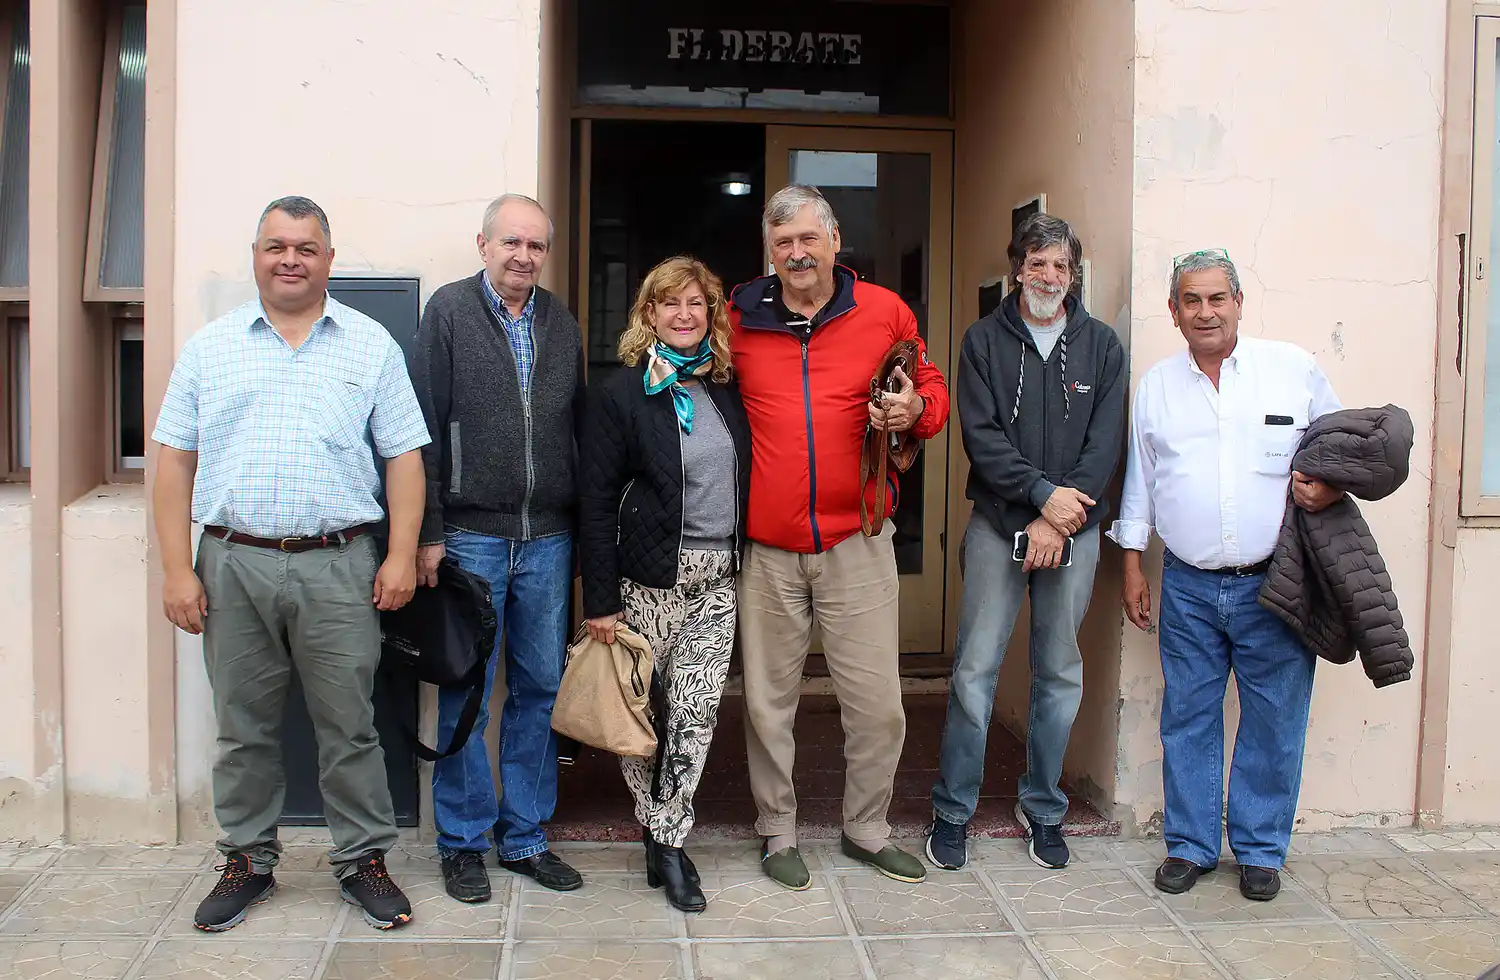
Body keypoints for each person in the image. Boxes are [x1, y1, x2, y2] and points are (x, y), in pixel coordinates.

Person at [153, 196, 429, 932]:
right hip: (231, 564)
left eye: (306, 248)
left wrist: (401, 554)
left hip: (338, 565)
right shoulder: (211, 347)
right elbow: (175, 461)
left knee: (350, 725)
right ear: (256, 255)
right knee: (242, 728)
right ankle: (247, 860)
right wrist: (177, 569)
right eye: (276, 246)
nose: (290, 260)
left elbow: (404, 457)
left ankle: (363, 860)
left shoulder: (370, 344)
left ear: (328, 260)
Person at [730, 184, 950, 889]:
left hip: (858, 538)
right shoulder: (738, 316)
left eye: (808, 239)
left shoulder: (884, 311)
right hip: (768, 546)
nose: (797, 253)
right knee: (767, 704)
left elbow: (932, 391)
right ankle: (777, 830)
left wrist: (914, 410)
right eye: (783, 243)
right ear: (770, 252)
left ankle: (866, 829)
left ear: (833, 241)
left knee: (878, 705)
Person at [1108, 249, 1343, 902]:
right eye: (1192, 300)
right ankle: (1189, 845)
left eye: (1217, 298)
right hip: (1187, 584)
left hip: (1277, 583)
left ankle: (1261, 851)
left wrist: (1328, 486)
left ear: (1239, 301)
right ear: (1174, 310)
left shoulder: (1291, 370)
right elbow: (1141, 482)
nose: (1205, 312)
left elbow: (1340, 449)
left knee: (1275, 718)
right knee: (1188, 716)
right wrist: (1132, 564)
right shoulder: (1157, 386)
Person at [928, 214, 1127, 872]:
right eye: (1038, 262)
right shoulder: (983, 341)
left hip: (1074, 527)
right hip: (999, 521)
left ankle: (1043, 807)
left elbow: (1105, 445)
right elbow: (982, 439)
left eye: (1061, 265)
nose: (1049, 275)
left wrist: (1058, 516)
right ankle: (953, 808)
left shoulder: (1102, 347)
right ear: (1018, 268)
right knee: (974, 671)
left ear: (1073, 275)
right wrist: (1040, 499)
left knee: (1059, 670)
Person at [408, 194, 586, 901]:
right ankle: (461, 842)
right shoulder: (449, 313)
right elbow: (420, 429)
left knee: (540, 690)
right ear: (483, 245)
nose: (523, 256)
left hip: (548, 538)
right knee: (467, 692)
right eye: (511, 242)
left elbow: (575, 427)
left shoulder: (561, 322)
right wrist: (427, 532)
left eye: (536, 245)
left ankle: (526, 836)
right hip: (470, 537)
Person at [577, 256, 751, 913]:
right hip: (646, 583)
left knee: (695, 713)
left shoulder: (725, 388)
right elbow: (596, 502)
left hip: (717, 582)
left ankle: (670, 840)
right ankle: (656, 832)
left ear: (711, 314)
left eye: (696, 303)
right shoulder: (622, 393)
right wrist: (600, 602)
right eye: (670, 303)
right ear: (648, 314)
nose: (684, 314)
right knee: (642, 716)